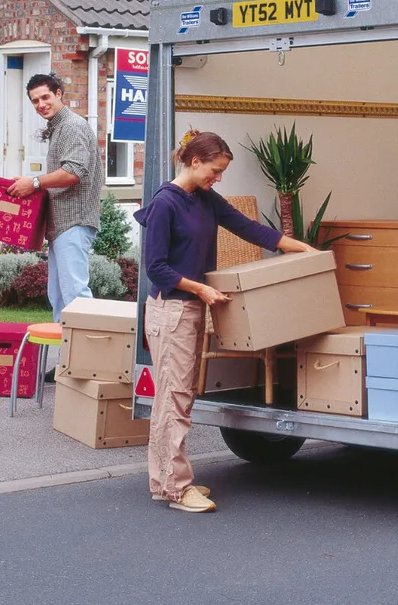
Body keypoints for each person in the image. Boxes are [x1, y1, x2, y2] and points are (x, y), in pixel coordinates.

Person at [135, 128, 316, 514]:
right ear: (193, 161)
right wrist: (201, 290)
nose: (217, 178)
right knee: (175, 399)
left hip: (190, 308)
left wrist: (297, 247)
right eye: (214, 170)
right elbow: (156, 269)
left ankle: (166, 480)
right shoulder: (166, 203)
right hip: (172, 310)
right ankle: (177, 488)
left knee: (175, 397)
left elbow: (246, 227)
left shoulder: (204, 199)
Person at [8, 72, 103, 332]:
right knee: (60, 299)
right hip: (62, 225)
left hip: (74, 221)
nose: (41, 105)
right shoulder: (59, 127)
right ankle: (66, 365)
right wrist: (31, 184)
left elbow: (74, 172)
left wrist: (35, 183)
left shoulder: (72, 126)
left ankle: (86, 364)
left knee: (75, 297)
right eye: (35, 101)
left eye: (46, 97)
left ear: (59, 94)